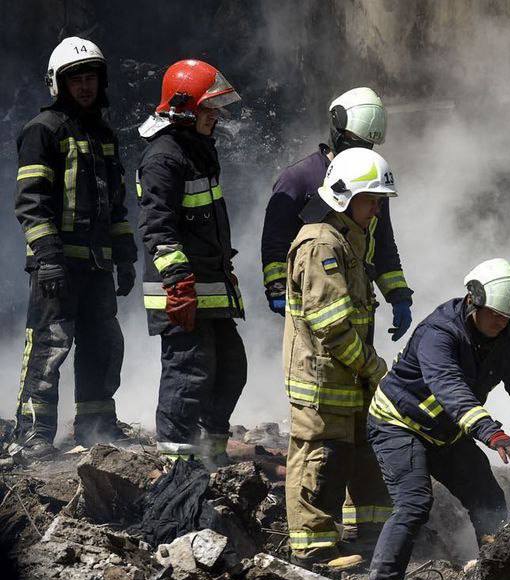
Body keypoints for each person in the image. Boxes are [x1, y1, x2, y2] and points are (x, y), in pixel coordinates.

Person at [365, 259, 510, 580]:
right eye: (495, 314)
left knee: (487, 498)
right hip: (399, 424)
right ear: (473, 300)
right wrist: (493, 433)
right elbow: (450, 389)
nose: (501, 323)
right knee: (414, 503)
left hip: (447, 431)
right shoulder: (438, 333)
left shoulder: (507, 335)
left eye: (508, 318)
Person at [11, 37, 136, 458]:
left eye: (91, 78)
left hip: (98, 267)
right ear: (58, 84)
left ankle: (97, 428)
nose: (85, 86)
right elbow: (32, 203)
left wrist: (125, 255)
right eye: (76, 79)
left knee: (103, 347)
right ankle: (32, 434)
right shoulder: (42, 131)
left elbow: (116, 204)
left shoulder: (104, 134)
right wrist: (47, 259)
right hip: (57, 268)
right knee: (49, 347)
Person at [282, 147, 398, 568]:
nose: (377, 211)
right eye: (372, 201)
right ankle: (311, 551)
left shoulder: (349, 240)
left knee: (352, 456)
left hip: (345, 377)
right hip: (321, 377)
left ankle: (365, 539)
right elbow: (331, 327)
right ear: (344, 197)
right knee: (320, 459)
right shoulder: (321, 245)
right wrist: (374, 368)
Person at [136, 59, 245, 463]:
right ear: (183, 108)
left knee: (231, 368)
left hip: (208, 281)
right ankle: (176, 463)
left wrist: (222, 266)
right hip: (181, 288)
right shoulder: (164, 158)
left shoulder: (196, 151)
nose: (214, 116)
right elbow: (157, 226)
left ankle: (212, 452)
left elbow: (207, 224)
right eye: (207, 108)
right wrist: (178, 281)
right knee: (188, 370)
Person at [260, 87, 412, 336]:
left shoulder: (371, 178)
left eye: (367, 143)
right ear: (337, 129)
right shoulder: (299, 179)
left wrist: (399, 294)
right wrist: (277, 287)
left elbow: (382, 243)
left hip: (359, 300)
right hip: (313, 300)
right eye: (356, 140)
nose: (362, 148)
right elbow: (275, 240)